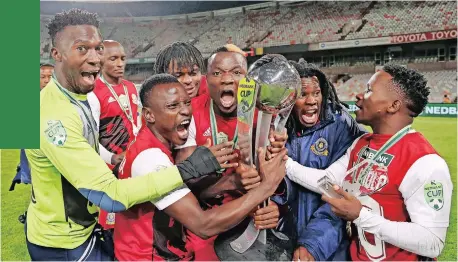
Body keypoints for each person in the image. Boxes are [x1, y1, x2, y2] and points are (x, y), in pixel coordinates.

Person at [26, 9, 233, 261]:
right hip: (63, 243)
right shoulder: (53, 116)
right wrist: (188, 169)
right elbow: (111, 196)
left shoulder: (79, 96)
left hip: (82, 228)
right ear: (56, 54)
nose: (95, 59)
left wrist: (114, 159)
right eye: (82, 49)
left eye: (98, 48)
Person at [284, 64, 452, 261]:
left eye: (369, 90)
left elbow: (432, 242)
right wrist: (283, 162)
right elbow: (327, 181)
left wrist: (360, 216)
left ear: (393, 105)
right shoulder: (361, 145)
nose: (359, 96)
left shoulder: (425, 162)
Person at [113, 74, 288, 261]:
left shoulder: (156, 144)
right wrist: (266, 187)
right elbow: (203, 225)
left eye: (187, 103)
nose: (185, 111)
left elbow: (188, 199)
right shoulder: (150, 158)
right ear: (149, 115)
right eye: (173, 106)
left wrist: (231, 182)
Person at [175, 46, 281, 261]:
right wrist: (231, 182)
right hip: (203, 220)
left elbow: (277, 179)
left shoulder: (263, 116)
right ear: (206, 79)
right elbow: (182, 185)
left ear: (247, 80)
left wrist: (273, 207)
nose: (226, 80)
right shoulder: (190, 112)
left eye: (236, 72)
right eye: (217, 73)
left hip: (249, 217)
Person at [269, 59, 365, 261]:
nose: (312, 101)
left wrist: (312, 243)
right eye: (303, 95)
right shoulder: (274, 126)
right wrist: (273, 207)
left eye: (317, 93)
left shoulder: (340, 125)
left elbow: (338, 192)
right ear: (289, 97)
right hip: (280, 241)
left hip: (327, 245)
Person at [87, 40, 139, 229]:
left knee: (136, 216)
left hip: (133, 161)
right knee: (112, 224)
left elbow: (137, 121)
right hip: (110, 168)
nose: (120, 64)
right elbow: (90, 138)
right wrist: (113, 157)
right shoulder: (93, 92)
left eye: (123, 58)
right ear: (100, 60)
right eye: (113, 59)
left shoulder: (131, 87)